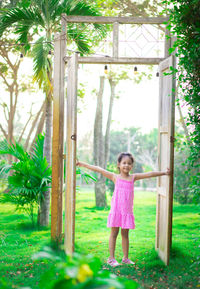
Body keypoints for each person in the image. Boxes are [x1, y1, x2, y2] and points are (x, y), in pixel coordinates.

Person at [76, 152, 170, 267]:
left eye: (129, 163)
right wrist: (81, 164)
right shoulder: (115, 177)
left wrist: (164, 173)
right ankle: (111, 258)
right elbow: (99, 169)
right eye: (124, 163)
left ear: (132, 166)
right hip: (116, 211)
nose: (126, 165)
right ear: (119, 165)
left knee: (125, 234)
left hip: (127, 212)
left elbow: (149, 174)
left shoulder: (133, 178)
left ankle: (125, 258)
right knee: (114, 234)